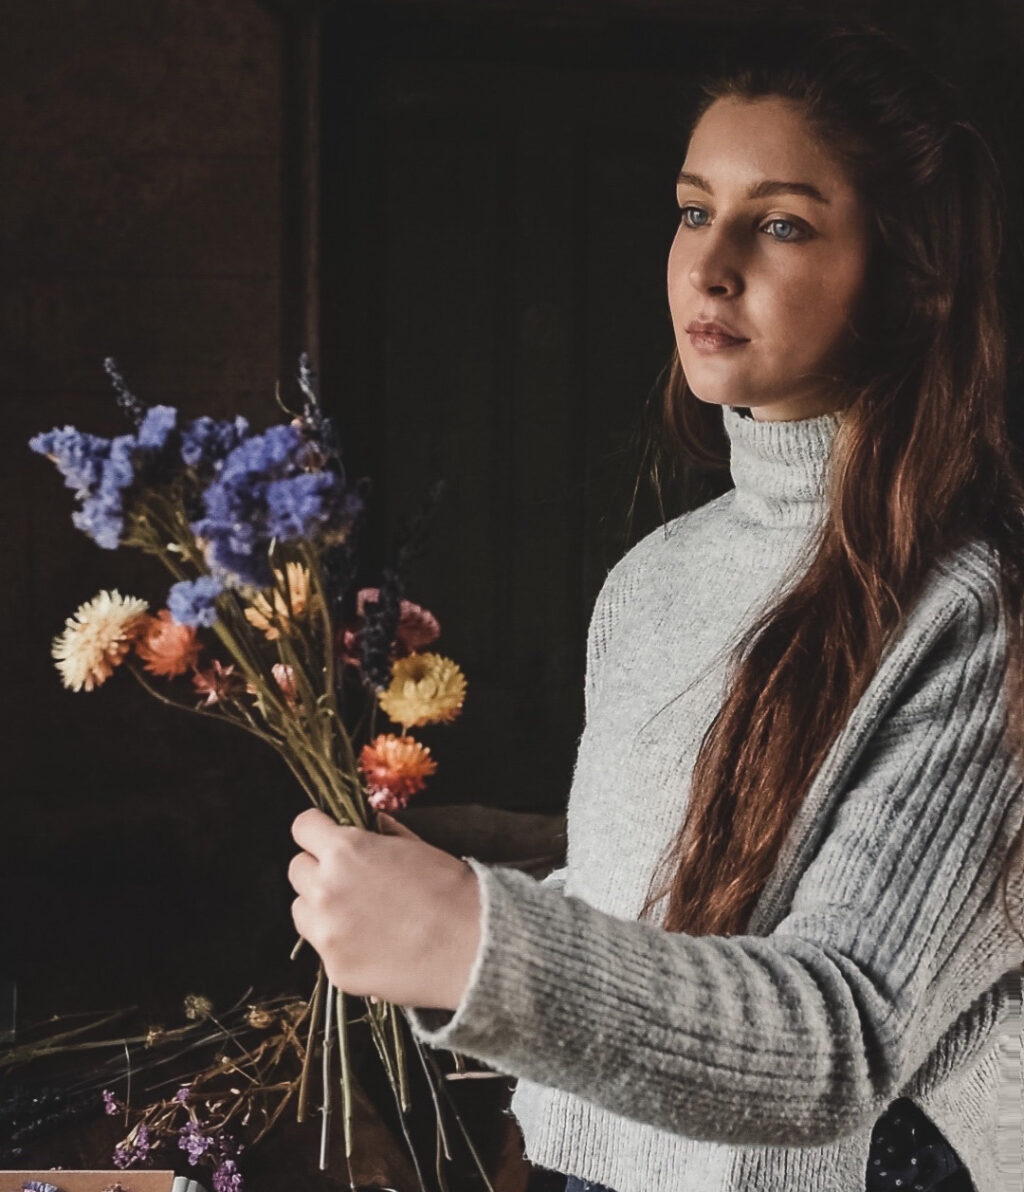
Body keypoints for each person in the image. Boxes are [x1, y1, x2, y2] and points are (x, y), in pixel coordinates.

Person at [287, 19, 1024, 1192]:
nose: (710, 262)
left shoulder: (970, 610)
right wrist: (454, 897)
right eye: (693, 210)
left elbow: (838, 1042)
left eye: (779, 223)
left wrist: (474, 941)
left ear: (907, 277)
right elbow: (655, 911)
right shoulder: (654, 578)